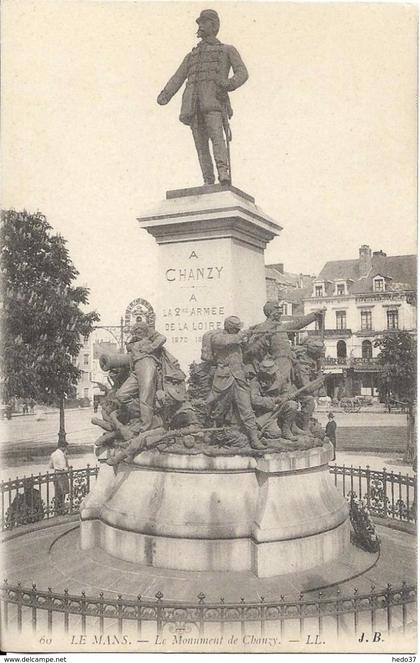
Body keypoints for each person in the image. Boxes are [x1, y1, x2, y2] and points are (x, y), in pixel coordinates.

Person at [157, 9, 248, 185]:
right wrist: (166, 94)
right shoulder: (192, 55)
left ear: (214, 25)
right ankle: (208, 179)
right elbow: (178, 76)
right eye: (199, 23)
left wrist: (229, 84)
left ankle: (223, 173)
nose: (200, 26)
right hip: (193, 104)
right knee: (200, 145)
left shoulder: (227, 50)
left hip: (214, 102)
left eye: (204, 22)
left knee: (217, 139)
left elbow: (242, 73)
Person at [205, 316, 265, 449]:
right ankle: (211, 435)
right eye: (236, 328)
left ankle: (254, 439)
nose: (239, 330)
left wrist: (258, 335)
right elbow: (226, 341)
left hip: (239, 378)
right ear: (230, 327)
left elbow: (248, 349)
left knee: (246, 409)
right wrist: (243, 334)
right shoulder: (218, 337)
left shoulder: (238, 338)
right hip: (223, 378)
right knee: (218, 409)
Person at [246, 302, 326, 386]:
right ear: (270, 312)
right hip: (277, 362)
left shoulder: (280, 327)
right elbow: (252, 348)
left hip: (289, 360)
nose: (280, 313)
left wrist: (314, 315)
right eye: (277, 311)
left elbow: (297, 323)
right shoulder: (263, 327)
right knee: (283, 385)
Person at [116, 322, 167, 432]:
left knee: (145, 397)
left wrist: (151, 347)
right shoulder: (134, 340)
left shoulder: (149, 332)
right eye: (135, 330)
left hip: (147, 365)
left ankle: (145, 427)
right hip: (136, 369)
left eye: (139, 330)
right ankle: (148, 417)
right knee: (121, 395)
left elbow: (162, 338)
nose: (137, 332)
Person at [249, 358, 299, 442]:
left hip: (280, 408)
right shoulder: (255, 382)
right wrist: (274, 401)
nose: (272, 375)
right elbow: (254, 400)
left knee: (292, 405)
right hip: (264, 412)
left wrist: (287, 396)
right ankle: (264, 430)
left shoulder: (280, 378)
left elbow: (285, 391)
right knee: (275, 434)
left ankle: (286, 429)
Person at [49, 442, 69, 515]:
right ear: (63, 447)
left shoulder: (53, 454)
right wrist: (66, 457)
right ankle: (62, 509)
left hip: (56, 474)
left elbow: (50, 466)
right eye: (66, 447)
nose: (66, 449)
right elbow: (64, 467)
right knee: (63, 492)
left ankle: (57, 509)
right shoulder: (62, 455)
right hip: (62, 474)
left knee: (57, 493)